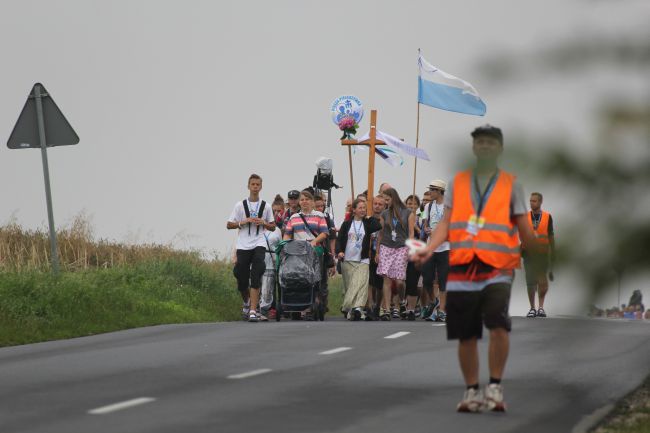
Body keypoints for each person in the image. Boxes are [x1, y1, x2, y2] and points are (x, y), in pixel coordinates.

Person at [415, 124, 539, 412]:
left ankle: (494, 386)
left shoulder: (512, 186)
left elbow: (524, 228)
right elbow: (445, 222)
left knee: (497, 325)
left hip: (498, 267)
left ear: (499, 149)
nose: (484, 147)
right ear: (474, 148)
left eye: (490, 143)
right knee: (466, 332)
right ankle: (472, 391)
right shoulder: (457, 184)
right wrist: (429, 248)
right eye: (480, 142)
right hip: (463, 266)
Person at [227, 174, 276, 322]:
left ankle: (253, 310)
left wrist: (264, 223)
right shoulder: (239, 205)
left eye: (257, 185)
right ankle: (247, 301)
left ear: (261, 187)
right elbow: (229, 224)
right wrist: (243, 222)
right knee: (241, 275)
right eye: (252, 184)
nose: (255, 187)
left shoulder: (266, 206)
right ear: (248, 186)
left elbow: (273, 227)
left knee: (256, 273)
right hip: (243, 244)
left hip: (259, 243)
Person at [283, 191, 329, 316]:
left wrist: (314, 242)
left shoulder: (319, 215)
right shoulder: (294, 217)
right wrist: (285, 244)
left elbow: (324, 233)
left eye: (307, 199)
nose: (304, 202)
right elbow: (287, 234)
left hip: (314, 248)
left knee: (313, 275)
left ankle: (314, 302)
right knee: (297, 275)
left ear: (312, 202)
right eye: (302, 199)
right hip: (297, 249)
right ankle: (297, 303)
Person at [336, 199, 382, 320]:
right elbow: (339, 239)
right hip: (347, 259)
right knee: (351, 286)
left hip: (362, 259)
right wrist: (339, 251)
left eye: (364, 208)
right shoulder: (346, 224)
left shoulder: (367, 223)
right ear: (354, 210)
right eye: (360, 208)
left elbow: (378, 226)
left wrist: (369, 217)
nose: (362, 210)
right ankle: (353, 310)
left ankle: (353, 307)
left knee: (361, 284)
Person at [376, 188, 415, 320]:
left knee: (399, 281)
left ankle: (402, 300)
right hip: (386, 246)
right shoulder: (385, 214)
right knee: (386, 278)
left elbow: (411, 233)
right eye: (384, 200)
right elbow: (380, 234)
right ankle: (386, 310)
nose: (385, 202)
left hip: (402, 247)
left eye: (387, 199)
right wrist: (377, 251)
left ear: (394, 198)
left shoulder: (408, 213)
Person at [420, 180, 450, 322]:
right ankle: (434, 301)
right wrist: (426, 229)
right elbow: (425, 224)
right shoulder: (428, 206)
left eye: (432, 190)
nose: (430, 192)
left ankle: (442, 310)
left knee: (444, 280)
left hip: (445, 247)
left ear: (439, 191)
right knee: (427, 279)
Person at [523, 192, 556, 318]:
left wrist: (553, 252)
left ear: (540, 202)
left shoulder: (548, 217)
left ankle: (541, 308)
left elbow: (551, 236)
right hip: (528, 254)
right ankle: (532, 308)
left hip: (542, 254)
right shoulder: (525, 217)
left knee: (541, 281)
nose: (532, 203)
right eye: (530, 201)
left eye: (534, 201)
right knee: (530, 282)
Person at [368, 195, 387, 318]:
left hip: (382, 253)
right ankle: (370, 304)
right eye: (375, 203)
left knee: (379, 283)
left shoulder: (386, 220)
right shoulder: (368, 219)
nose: (377, 206)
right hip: (369, 253)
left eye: (380, 204)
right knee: (369, 281)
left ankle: (378, 305)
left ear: (384, 206)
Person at [404, 194, 422, 320]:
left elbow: (423, 235)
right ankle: (403, 305)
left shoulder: (422, 218)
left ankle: (411, 309)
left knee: (413, 281)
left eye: (415, 203)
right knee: (402, 282)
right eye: (409, 203)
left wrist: (415, 226)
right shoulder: (402, 217)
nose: (412, 206)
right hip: (402, 252)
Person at [260, 225, 282, 319]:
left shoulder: (276, 230)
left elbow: (280, 246)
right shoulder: (253, 228)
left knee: (267, 288)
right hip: (255, 260)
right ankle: (253, 308)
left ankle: (263, 310)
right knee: (254, 285)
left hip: (270, 260)